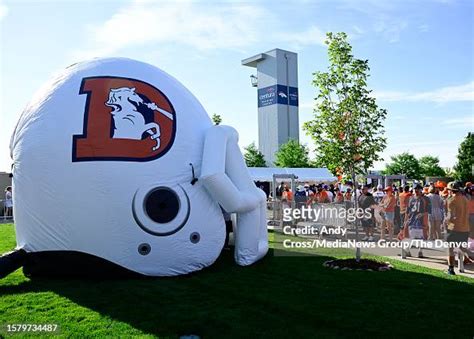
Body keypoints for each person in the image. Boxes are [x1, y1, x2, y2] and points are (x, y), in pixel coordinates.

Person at [445, 182, 470, 275]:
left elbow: (451, 216)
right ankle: (467, 258)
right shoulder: (466, 199)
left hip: (454, 228)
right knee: (462, 248)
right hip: (465, 227)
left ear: (451, 190)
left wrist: (446, 222)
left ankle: (450, 269)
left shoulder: (451, 200)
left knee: (450, 248)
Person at [403, 184, 428, 258]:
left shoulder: (425, 199)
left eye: (418, 190)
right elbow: (407, 211)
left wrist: (422, 214)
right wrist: (405, 220)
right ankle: (407, 251)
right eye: (415, 190)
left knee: (421, 237)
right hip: (412, 220)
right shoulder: (411, 199)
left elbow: (428, 211)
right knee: (412, 237)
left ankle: (420, 251)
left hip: (421, 221)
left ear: (421, 190)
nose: (416, 191)